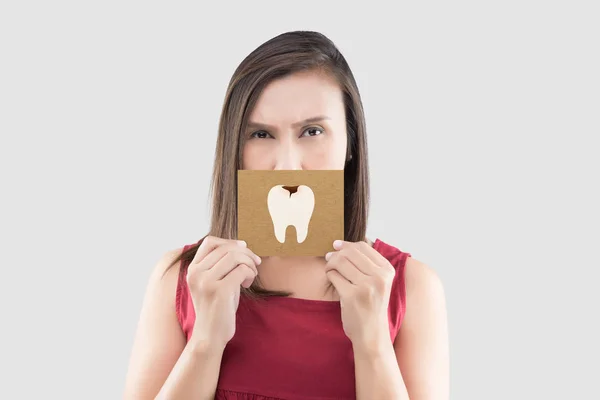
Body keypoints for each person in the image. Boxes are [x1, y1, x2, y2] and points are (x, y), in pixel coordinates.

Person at [123, 30, 449, 400]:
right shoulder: (182, 279)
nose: (287, 164)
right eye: (261, 135)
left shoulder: (409, 287)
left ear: (350, 142)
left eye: (312, 131)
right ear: (236, 149)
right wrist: (205, 342)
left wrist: (372, 344)